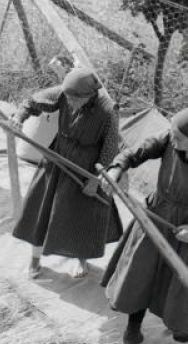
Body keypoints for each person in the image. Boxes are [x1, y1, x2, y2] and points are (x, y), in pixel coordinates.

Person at [102, 107, 188, 344]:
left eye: (180, 138)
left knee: (183, 281)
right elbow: (134, 153)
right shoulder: (169, 138)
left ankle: (181, 324)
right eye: (173, 134)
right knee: (141, 272)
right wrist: (117, 167)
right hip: (158, 216)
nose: (174, 140)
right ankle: (133, 330)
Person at [11, 67, 123, 278]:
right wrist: (19, 117)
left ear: (89, 95)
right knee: (41, 208)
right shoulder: (64, 93)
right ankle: (34, 260)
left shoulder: (108, 111)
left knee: (81, 217)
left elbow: (110, 149)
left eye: (74, 100)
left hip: (86, 167)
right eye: (68, 99)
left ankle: (82, 261)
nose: (69, 103)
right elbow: (32, 102)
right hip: (57, 157)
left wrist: (95, 181)